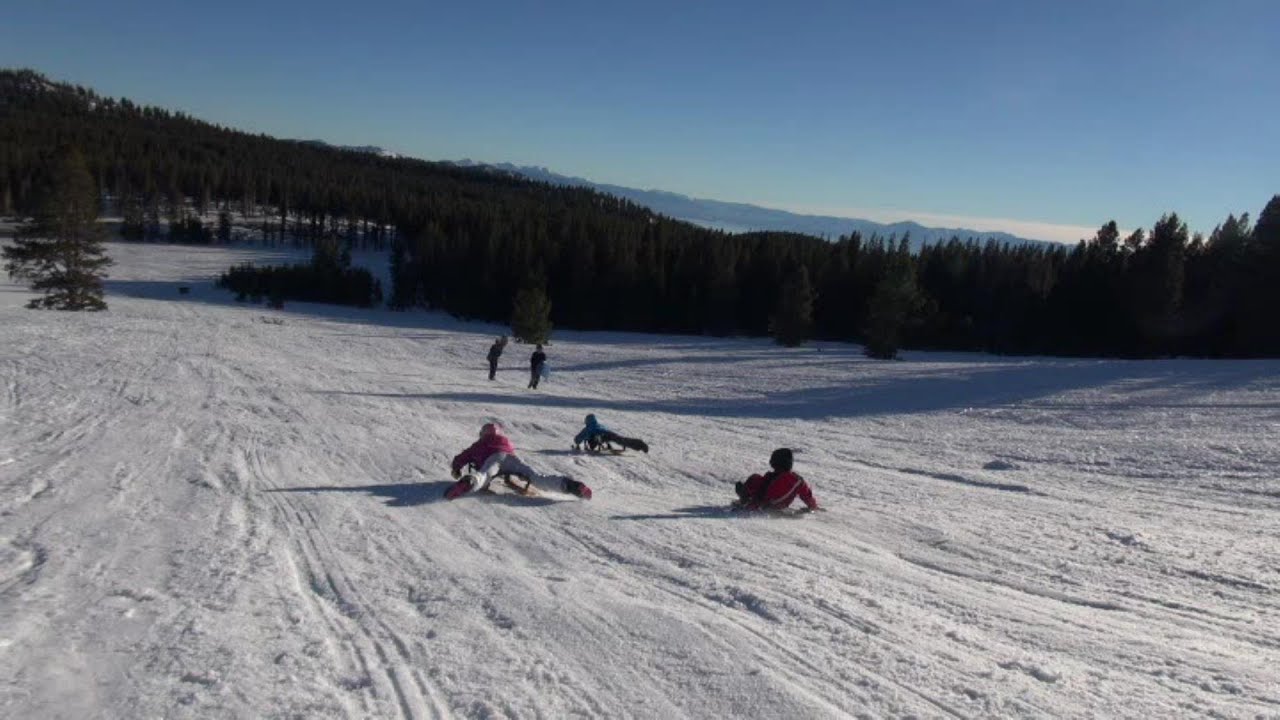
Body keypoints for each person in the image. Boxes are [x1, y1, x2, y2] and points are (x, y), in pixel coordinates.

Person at [446, 422, 591, 500]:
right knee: (536, 477)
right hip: (510, 458)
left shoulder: (479, 444)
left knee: (485, 475)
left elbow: (463, 457)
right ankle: (570, 485)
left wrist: (456, 467)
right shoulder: (505, 441)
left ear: (483, 433)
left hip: (494, 460)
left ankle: (469, 483)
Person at [733, 448, 819, 512]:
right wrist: (812, 506)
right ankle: (745, 496)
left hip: (763, 506)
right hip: (780, 506)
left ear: (774, 463)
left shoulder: (769, 478)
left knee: (754, 478)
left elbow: (760, 494)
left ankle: (744, 497)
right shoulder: (798, 480)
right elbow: (807, 496)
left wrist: (744, 498)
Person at [573, 414, 649, 453]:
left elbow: (578, 438)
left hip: (598, 437)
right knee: (621, 440)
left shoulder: (588, 428)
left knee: (593, 440)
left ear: (587, 421)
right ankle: (640, 444)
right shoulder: (600, 425)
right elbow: (607, 430)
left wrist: (577, 442)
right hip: (608, 434)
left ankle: (598, 441)